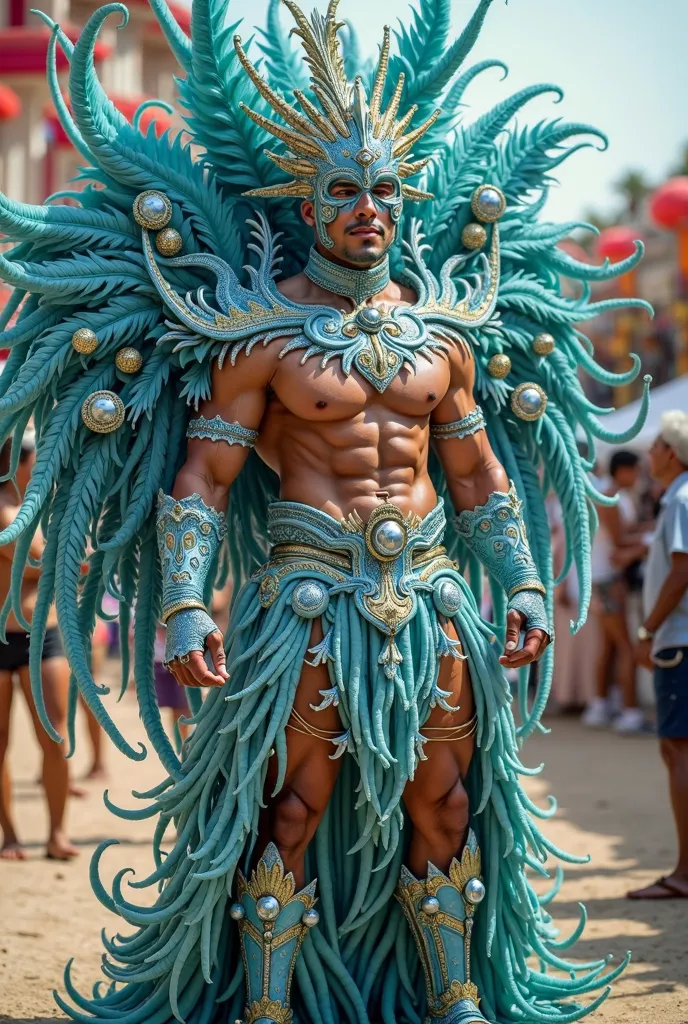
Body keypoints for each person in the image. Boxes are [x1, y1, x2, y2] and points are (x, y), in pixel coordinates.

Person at [0, 1, 651, 1020]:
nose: (367, 208)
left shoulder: (447, 337)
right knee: (290, 810)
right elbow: (204, 481)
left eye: (385, 191)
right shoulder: (257, 338)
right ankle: (267, 1004)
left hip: (432, 598)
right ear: (306, 200)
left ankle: (456, 998)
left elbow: (476, 476)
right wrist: (183, 604)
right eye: (344, 189)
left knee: (442, 802)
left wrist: (521, 579)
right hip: (303, 598)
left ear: (405, 200)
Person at [0, 434, 77, 861]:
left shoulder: (43, 508)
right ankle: (10, 834)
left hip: (41, 634)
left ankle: (56, 833)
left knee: (55, 737)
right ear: (18, 462)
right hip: (12, 633)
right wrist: (61, 558)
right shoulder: (9, 509)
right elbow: (38, 563)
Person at [628, 411, 688, 900]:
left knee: (679, 750)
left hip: (680, 641)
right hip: (678, 639)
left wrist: (648, 629)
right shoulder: (677, 498)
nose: (649, 455)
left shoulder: (682, 499)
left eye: (654, 447)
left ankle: (685, 872)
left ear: (670, 451)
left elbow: (681, 571)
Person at [582, 451, 648, 732]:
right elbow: (621, 541)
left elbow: (625, 533)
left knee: (610, 645)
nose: (638, 477)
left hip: (605, 579)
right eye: (635, 470)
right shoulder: (609, 497)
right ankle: (629, 712)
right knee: (625, 647)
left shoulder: (616, 496)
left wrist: (649, 532)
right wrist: (649, 541)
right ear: (623, 471)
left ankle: (601, 705)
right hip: (609, 580)